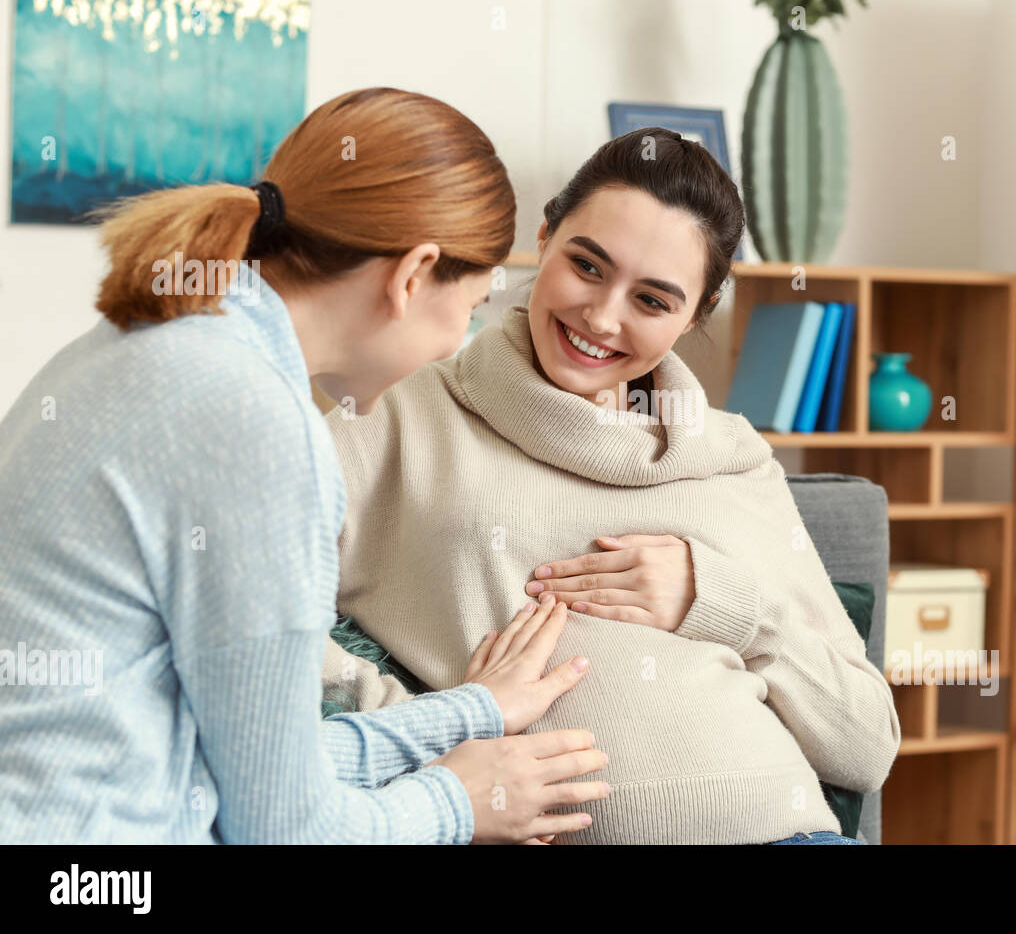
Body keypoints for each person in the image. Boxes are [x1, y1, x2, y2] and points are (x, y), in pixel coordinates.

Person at [0, 87, 608, 844]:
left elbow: (257, 762)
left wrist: (472, 713)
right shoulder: (256, 422)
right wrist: (460, 804)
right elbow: (285, 828)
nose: (459, 341)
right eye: (474, 305)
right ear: (413, 274)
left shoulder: (148, 343)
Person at [321, 127, 902, 844]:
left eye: (653, 301)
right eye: (588, 266)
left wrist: (721, 603)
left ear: (697, 314)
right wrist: (451, 738)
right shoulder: (398, 408)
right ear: (545, 234)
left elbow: (868, 747)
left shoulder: (734, 459)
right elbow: (263, 630)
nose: (601, 317)